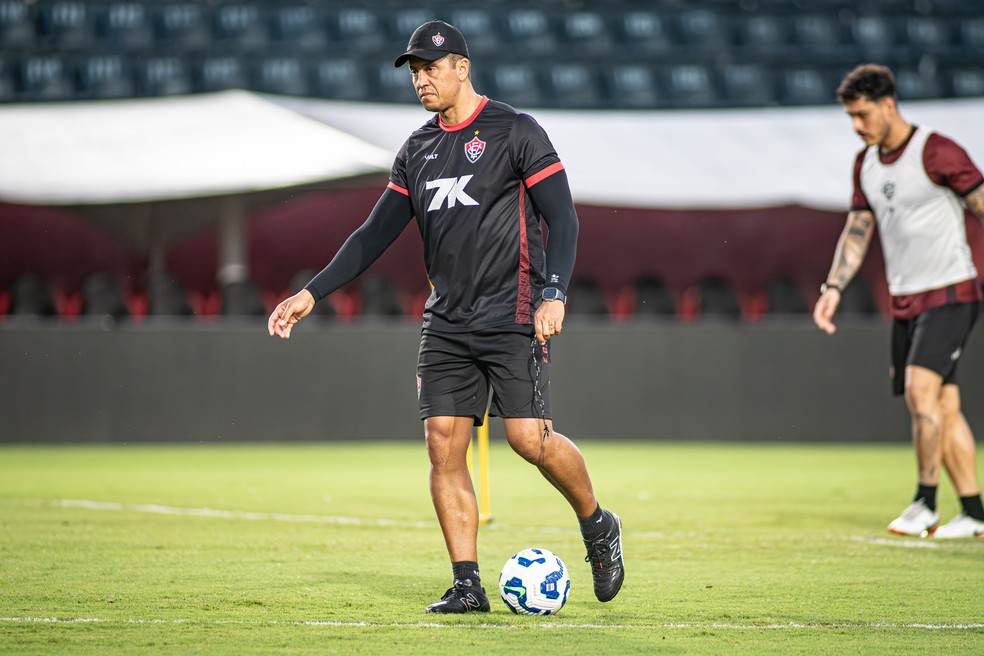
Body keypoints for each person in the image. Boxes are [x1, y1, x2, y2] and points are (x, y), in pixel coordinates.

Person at [267, 20, 624, 610]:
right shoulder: (418, 150)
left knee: (529, 442)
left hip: (513, 314)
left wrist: (554, 292)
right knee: (442, 445)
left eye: (431, 68)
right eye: (413, 71)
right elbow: (372, 234)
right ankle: (467, 585)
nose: (421, 80)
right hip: (448, 324)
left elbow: (563, 217)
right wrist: (314, 292)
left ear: (462, 67)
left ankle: (597, 524)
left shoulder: (516, 131)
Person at [814, 63, 984, 539]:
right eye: (850, 117)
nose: (856, 125)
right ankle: (973, 512)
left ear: (888, 104)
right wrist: (833, 289)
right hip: (907, 301)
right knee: (942, 404)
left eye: (862, 114)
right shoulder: (864, 162)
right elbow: (857, 230)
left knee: (919, 392)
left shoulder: (937, 151)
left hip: (951, 292)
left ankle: (924, 503)